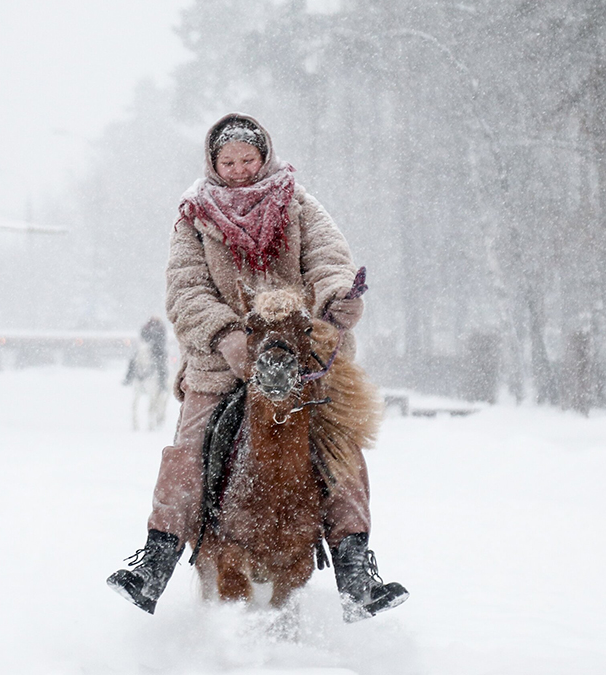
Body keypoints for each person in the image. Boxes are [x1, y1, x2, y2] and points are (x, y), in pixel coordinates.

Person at [106, 113, 408, 621]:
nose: (241, 169)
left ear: (264, 156)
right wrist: (226, 337)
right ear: (213, 163)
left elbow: (330, 259)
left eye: (249, 159)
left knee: (342, 447)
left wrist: (338, 299)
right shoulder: (193, 218)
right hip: (223, 361)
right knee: (189, 446)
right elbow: (186, 289)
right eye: (229, 161)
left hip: (302, 354)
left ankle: (355, 569)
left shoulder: (298, 203)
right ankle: (157, 556)